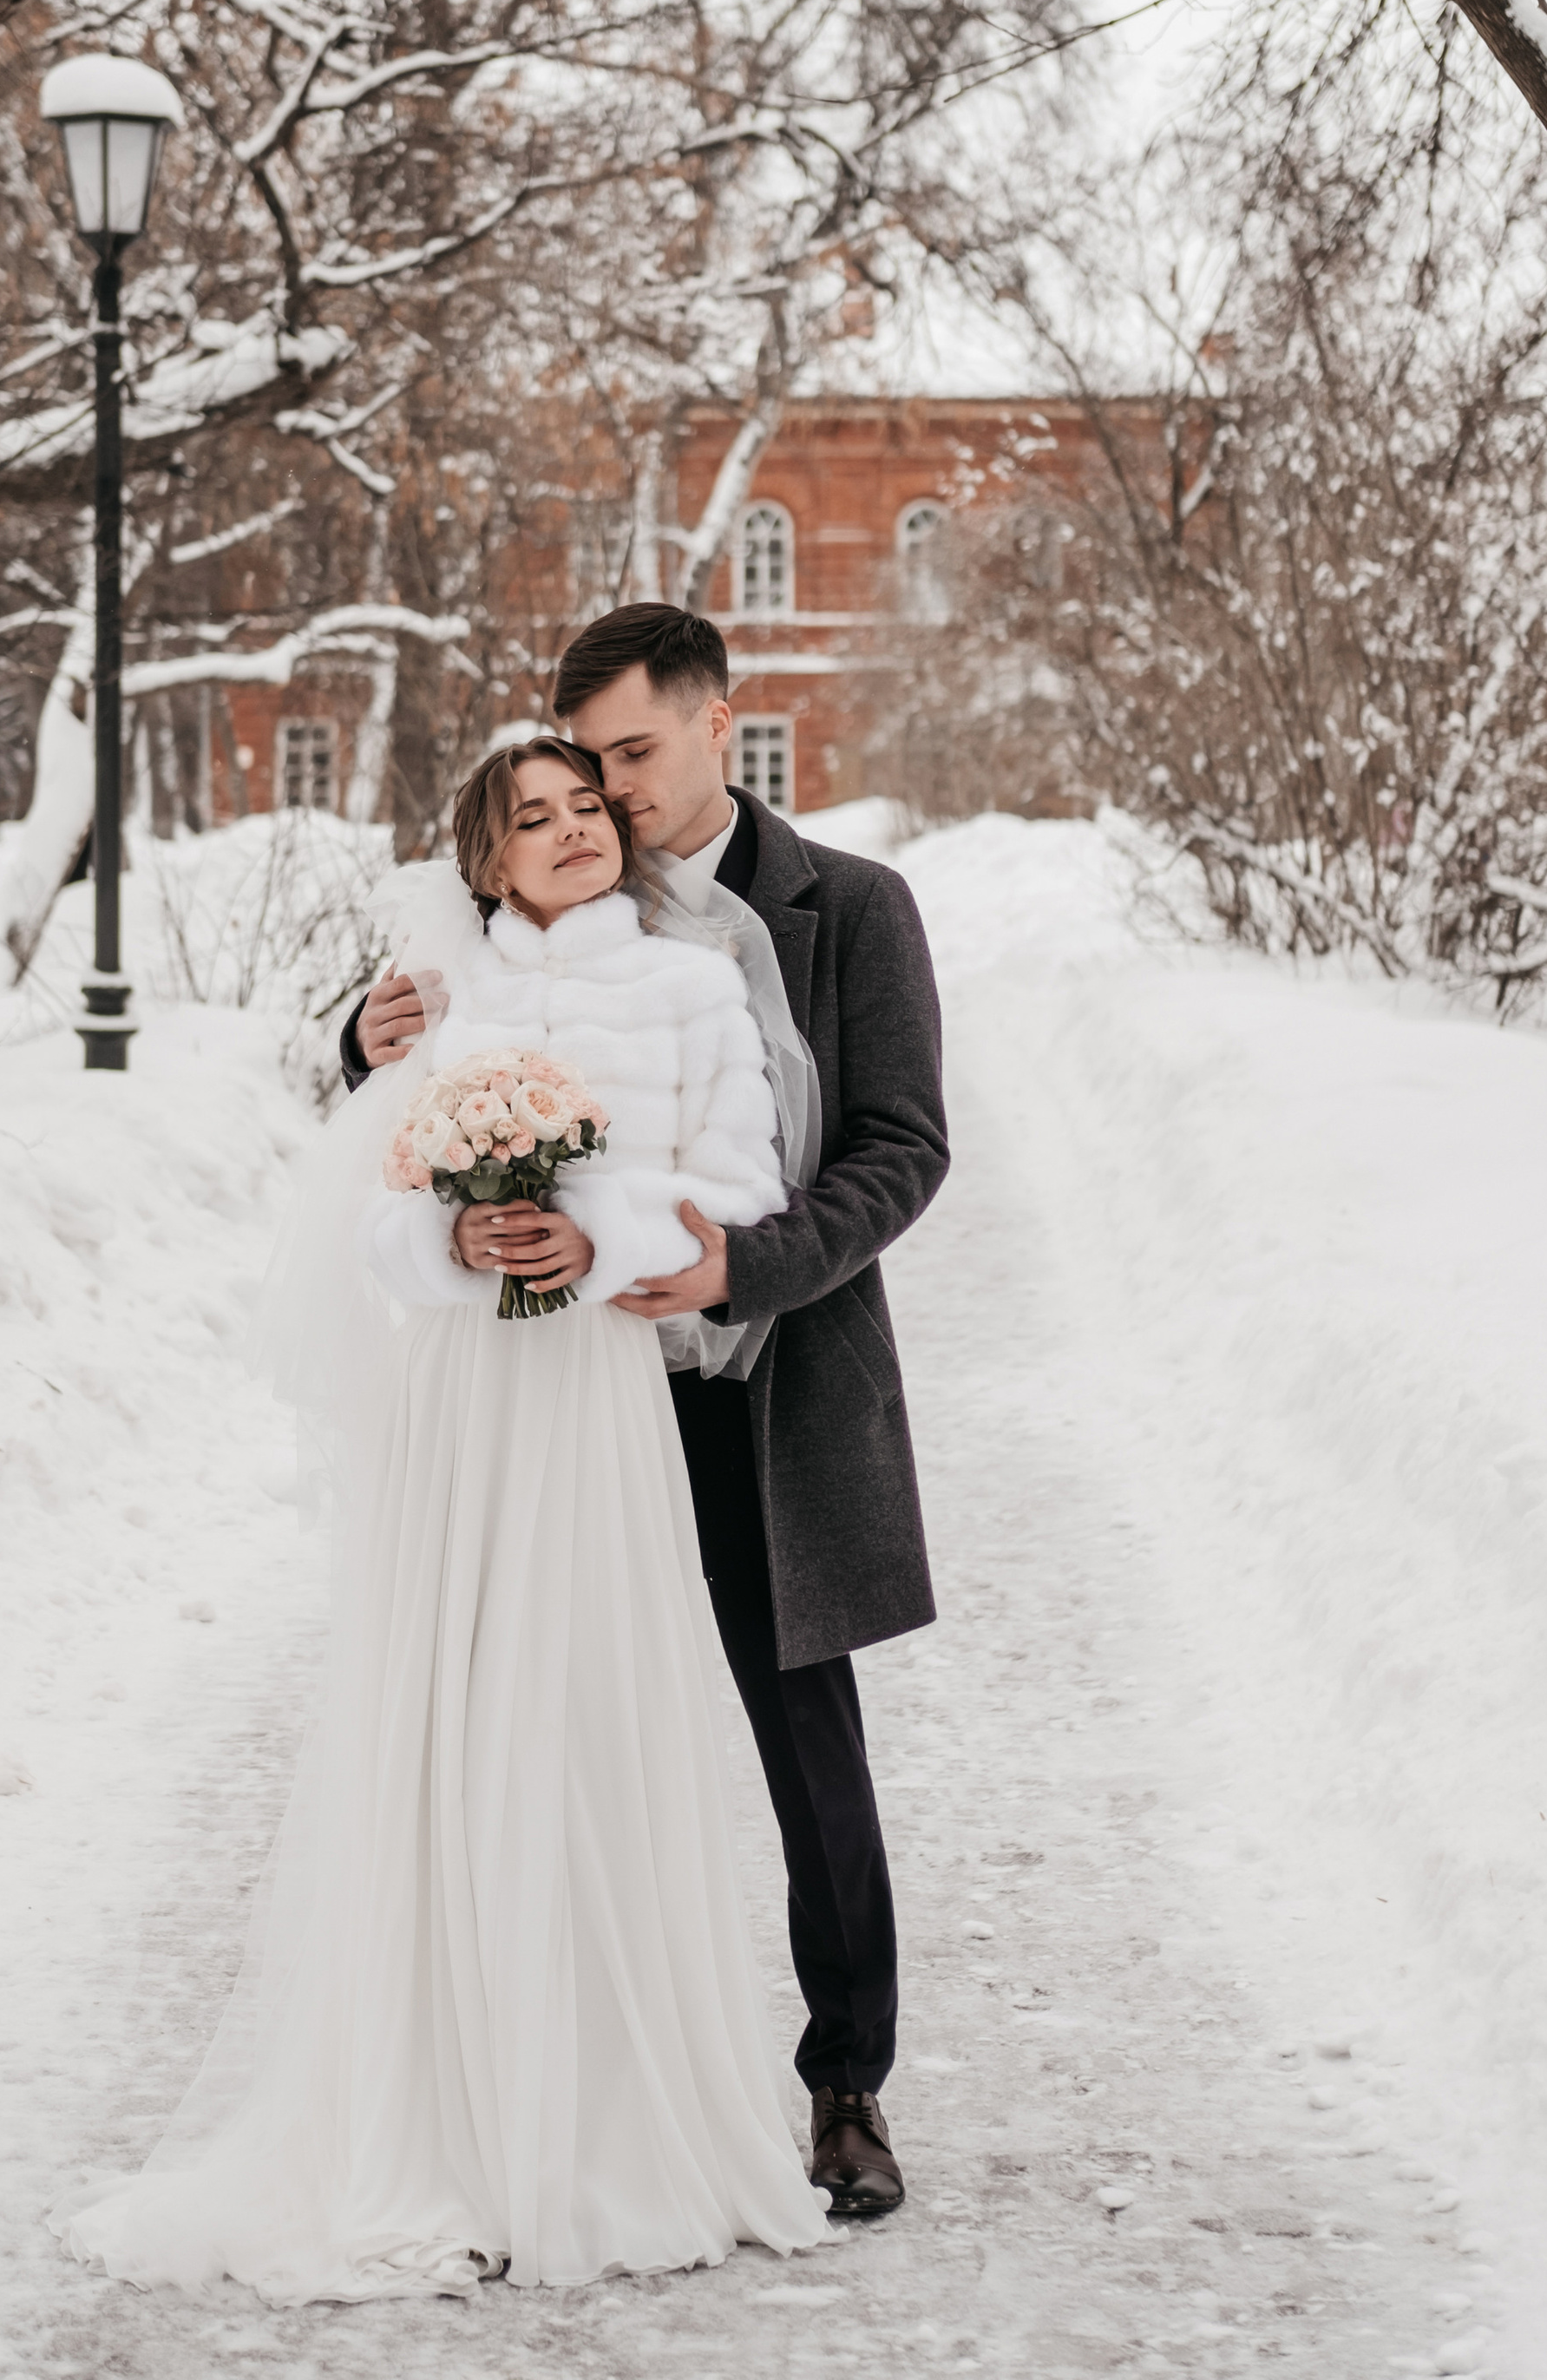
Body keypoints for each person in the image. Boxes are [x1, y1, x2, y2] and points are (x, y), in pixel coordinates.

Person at [60, 740, 830, 2303]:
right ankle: (447, 2125)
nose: (569, 835)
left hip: (602, 1407)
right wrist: (460, 1233)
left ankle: (602, 2126)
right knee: (451, 1725)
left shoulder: (692, 995)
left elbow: (738, 1197)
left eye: (587, 812)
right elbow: (374, 1225)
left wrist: (590, 1231)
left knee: (588, 1723)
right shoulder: (437, 1003)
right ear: (484, 861)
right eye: (530, 821)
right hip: (463, 1410)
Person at [345, 606, 947, 2217]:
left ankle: (846, 2087)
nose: (605, 796)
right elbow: (400, 1101)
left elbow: (902, 1147)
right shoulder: (519, 899)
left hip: (766, 1381)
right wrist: (363, 1035)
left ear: (714, 724)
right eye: (583, 764)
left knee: (801, 1732)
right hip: (554, 1395)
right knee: (542, 1727)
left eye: (631, 756)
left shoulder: (852, 909)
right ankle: (549, 2087)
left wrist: (742, 1267)